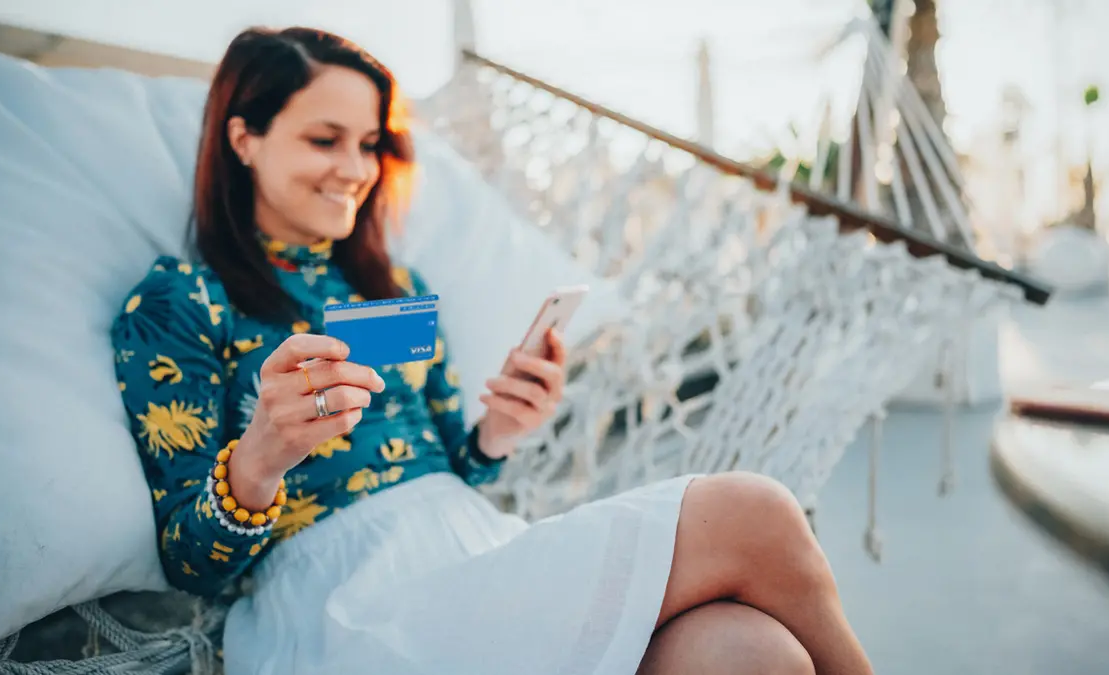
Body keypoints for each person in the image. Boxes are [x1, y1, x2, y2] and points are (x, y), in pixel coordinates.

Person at [111, 26, 874, 675]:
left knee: (750, 651)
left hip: (473, 550)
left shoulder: (393, 286)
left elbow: (453, 463)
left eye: (370, 144)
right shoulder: (181, 301)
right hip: (346, 601)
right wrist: (259, 459)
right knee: (754, 511)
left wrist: (498, 433)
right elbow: (190, 563)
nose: (356, 168)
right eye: (324, 139)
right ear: (243, 137)